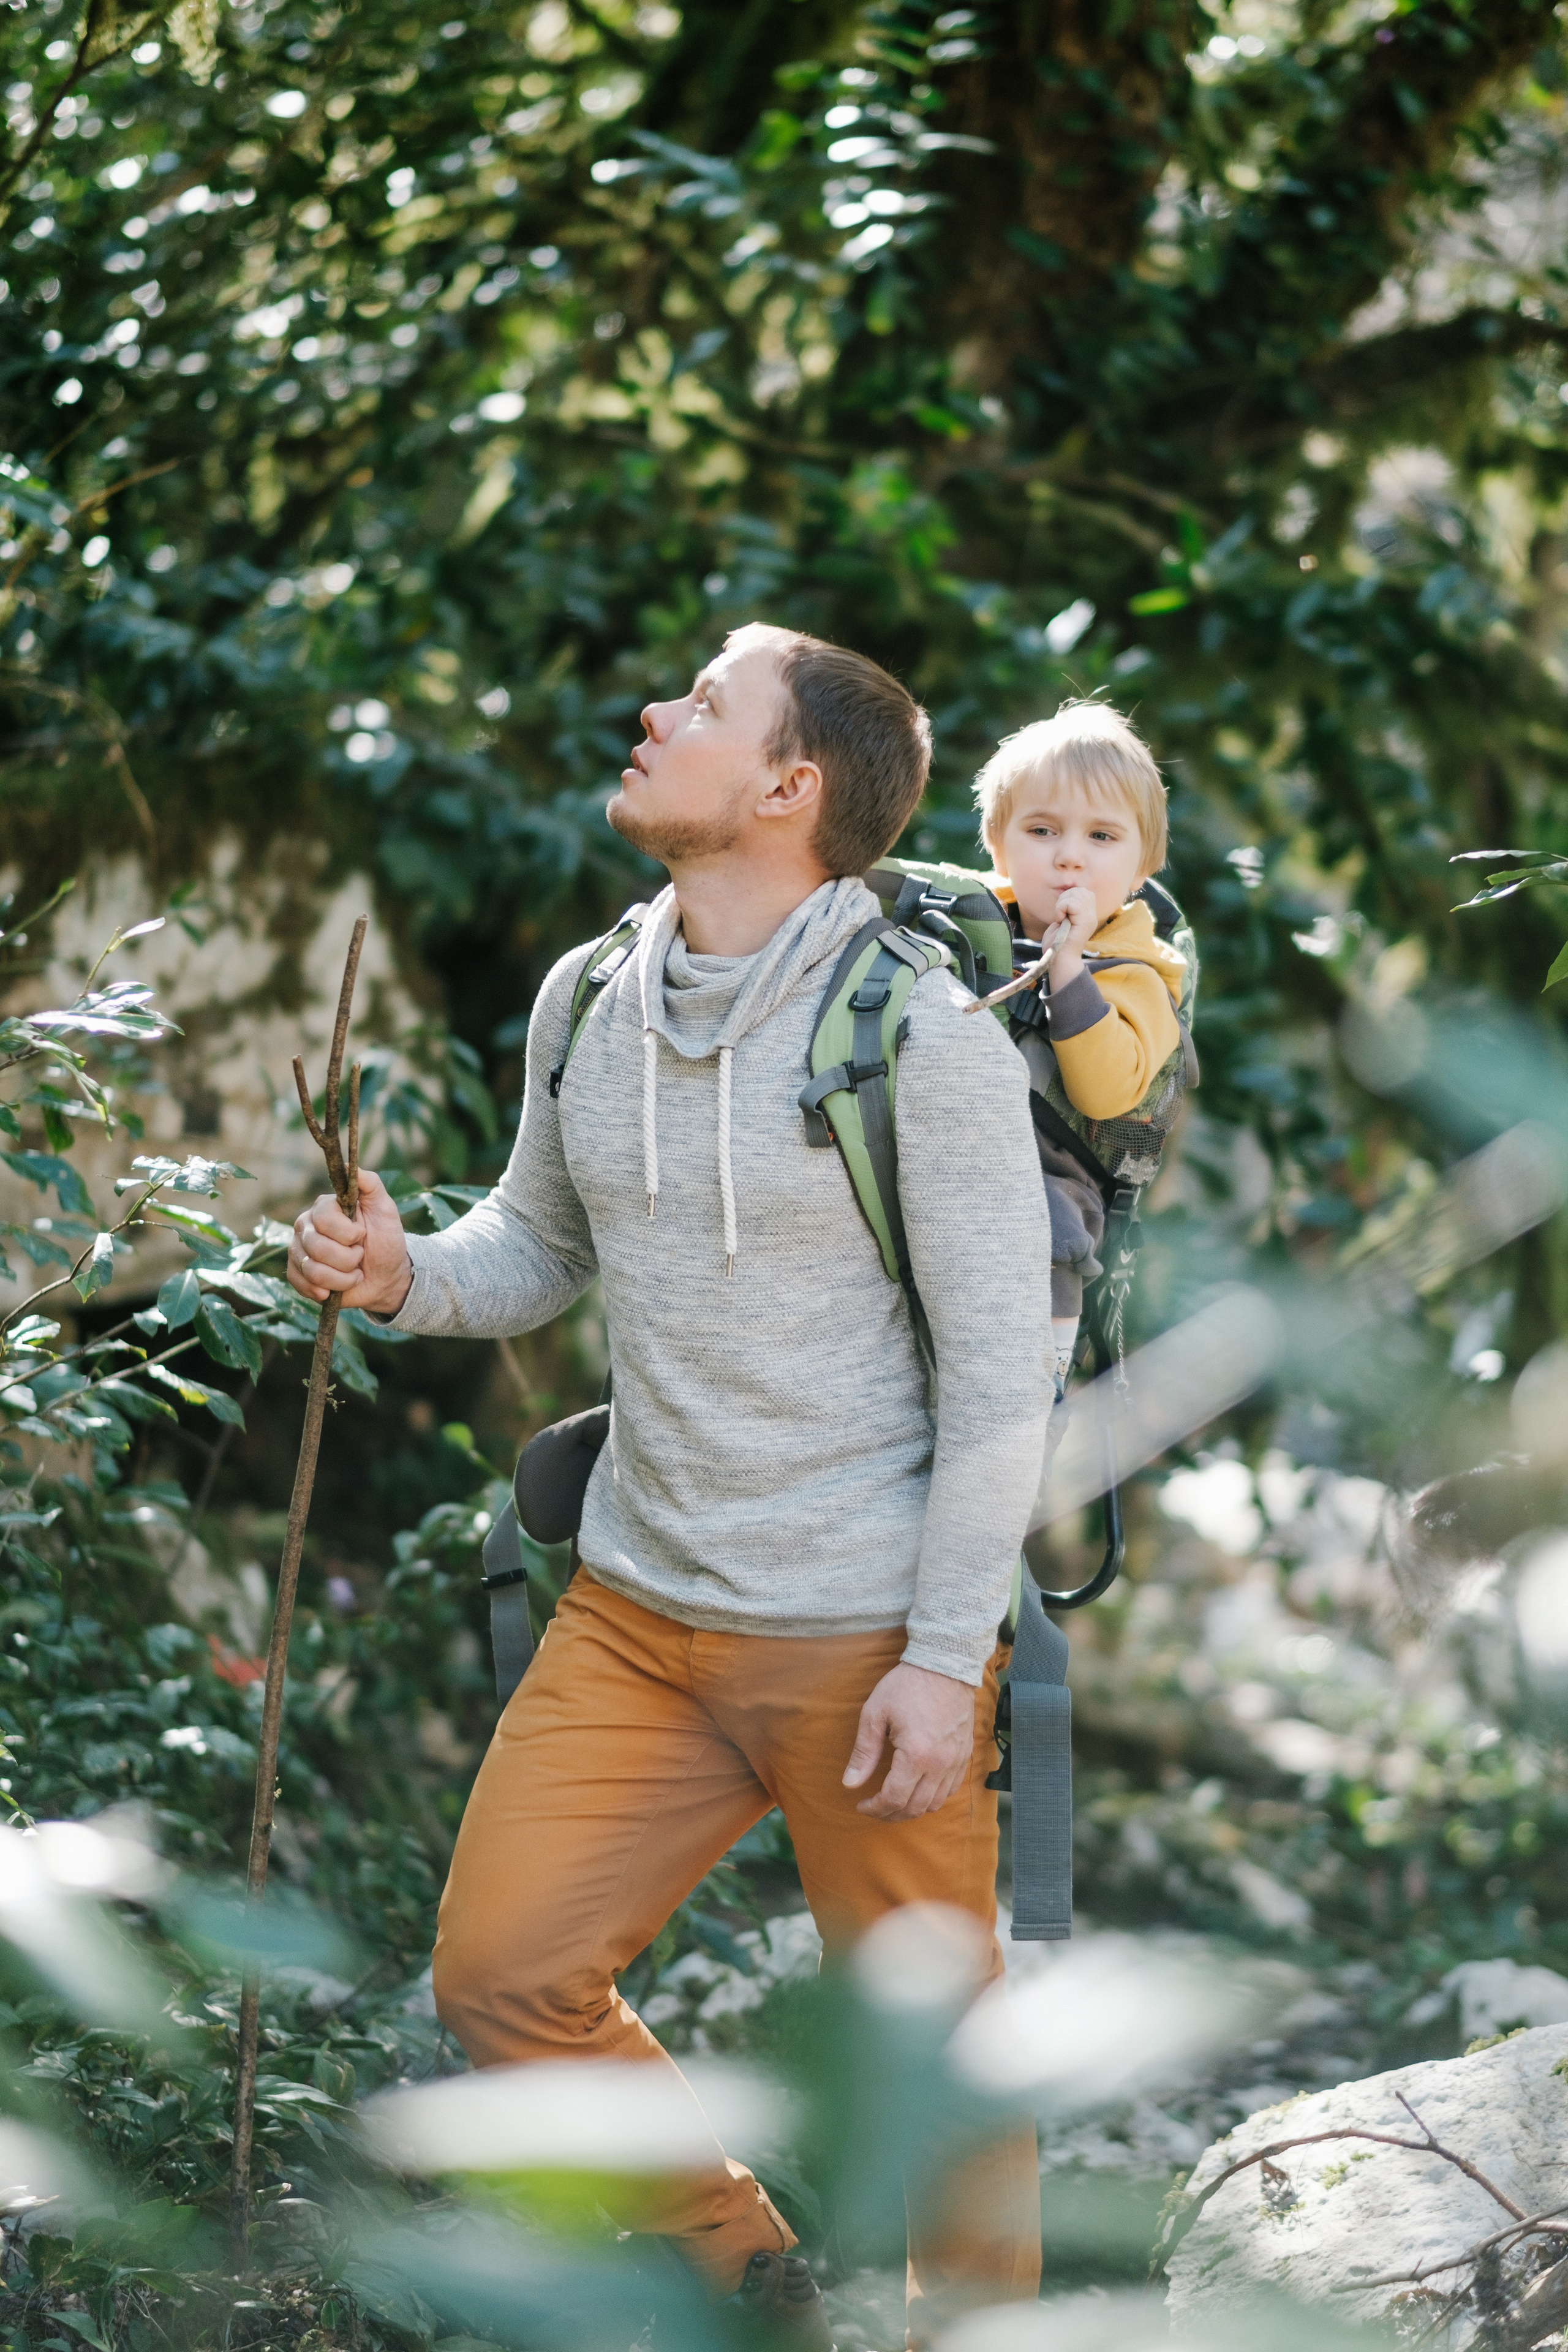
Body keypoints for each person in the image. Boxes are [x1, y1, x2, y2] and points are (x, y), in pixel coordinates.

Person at [288, 623, 1054, 2350]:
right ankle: (753, 2288)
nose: (653, 712)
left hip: (866, 1639)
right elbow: (536, 1248)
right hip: (639, 1613)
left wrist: (945, 1658)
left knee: (937, 2060)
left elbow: (1010, 1374)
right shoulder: (593, 994)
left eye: (705, 705)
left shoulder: (921, 1040)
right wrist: (402, 1270)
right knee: (500, 1980)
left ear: (791, 787)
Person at [974, 699, 1187, 1390]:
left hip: (1053, 1172)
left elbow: (1104, 1090)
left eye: (1101, 838)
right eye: (1041, 830)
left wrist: (1066, 967)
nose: (1068, 856)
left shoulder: (1137, 975)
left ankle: (1032, 1400)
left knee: (1054, 1231)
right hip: (945, 1149)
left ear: (1140, 866)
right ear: (998, 844)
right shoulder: (967, 924)